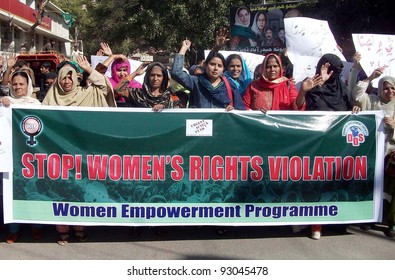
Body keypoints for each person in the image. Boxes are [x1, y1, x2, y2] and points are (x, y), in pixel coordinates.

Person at [42, 56, 115, 245]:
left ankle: (80, 229)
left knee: (80, 191)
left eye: (70, 77)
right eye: (63, 77)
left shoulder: (87, 93)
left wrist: (89, 70)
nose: (66, 81)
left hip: (82, 155)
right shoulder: (51, 97)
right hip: (58, 157)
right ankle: (63, 232)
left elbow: (106, 88)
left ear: (76, 77)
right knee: (61, 192)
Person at [297, 53, 360, 240]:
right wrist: (308, 89)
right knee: (313, 183)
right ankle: (311, 223)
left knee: (335, 183)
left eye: (334, 70)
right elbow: (297, 107)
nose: (330, 73)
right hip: (314, 144)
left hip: (337, 146)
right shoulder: (310, 84)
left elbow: (348, 110)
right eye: (327, 69)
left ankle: (335, 221)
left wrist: (355, 110)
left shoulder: (341, 89)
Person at [0, 71, 42, 243]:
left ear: (28, 86)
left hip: (32, 157)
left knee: (35, 191)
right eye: (14, 84)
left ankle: (37, 226)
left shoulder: (36, 105)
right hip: (11, 157)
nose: (17, 87)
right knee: (11, 192)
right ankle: (13, 229)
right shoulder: (4, 105)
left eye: (21, 84)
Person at [352, 74, 395, 237]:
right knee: (373, 187)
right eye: (385, 87)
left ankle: (392, 222)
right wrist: (370, 78)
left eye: (392, 88)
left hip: (391, 155)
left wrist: (393, 126)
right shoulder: (372, 101)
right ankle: (370, 218)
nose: (389, 91)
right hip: (372, 153)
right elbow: (356, 94)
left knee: (391, 191)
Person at [172, 39, 245, 110]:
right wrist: (184, 48)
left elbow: (240, 110)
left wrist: (232, 109)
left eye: (219, 66)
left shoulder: (229, 85)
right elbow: (177, 73)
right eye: (212, 64)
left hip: (220, 121)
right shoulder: (196, 82)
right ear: (205, 65)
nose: (215, 68)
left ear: (223, 69)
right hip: (199, 121)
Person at [243, 53, 307, 111]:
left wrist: (302, 91)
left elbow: (297, 107)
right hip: (259, 123)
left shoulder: (288, 85)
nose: (272, 70)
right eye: (268, 67)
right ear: (263, 69)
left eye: (275, 66)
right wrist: (257, 113)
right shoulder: (254, 86)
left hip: (281, 123)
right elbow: (244, 107)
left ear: (280, 68)